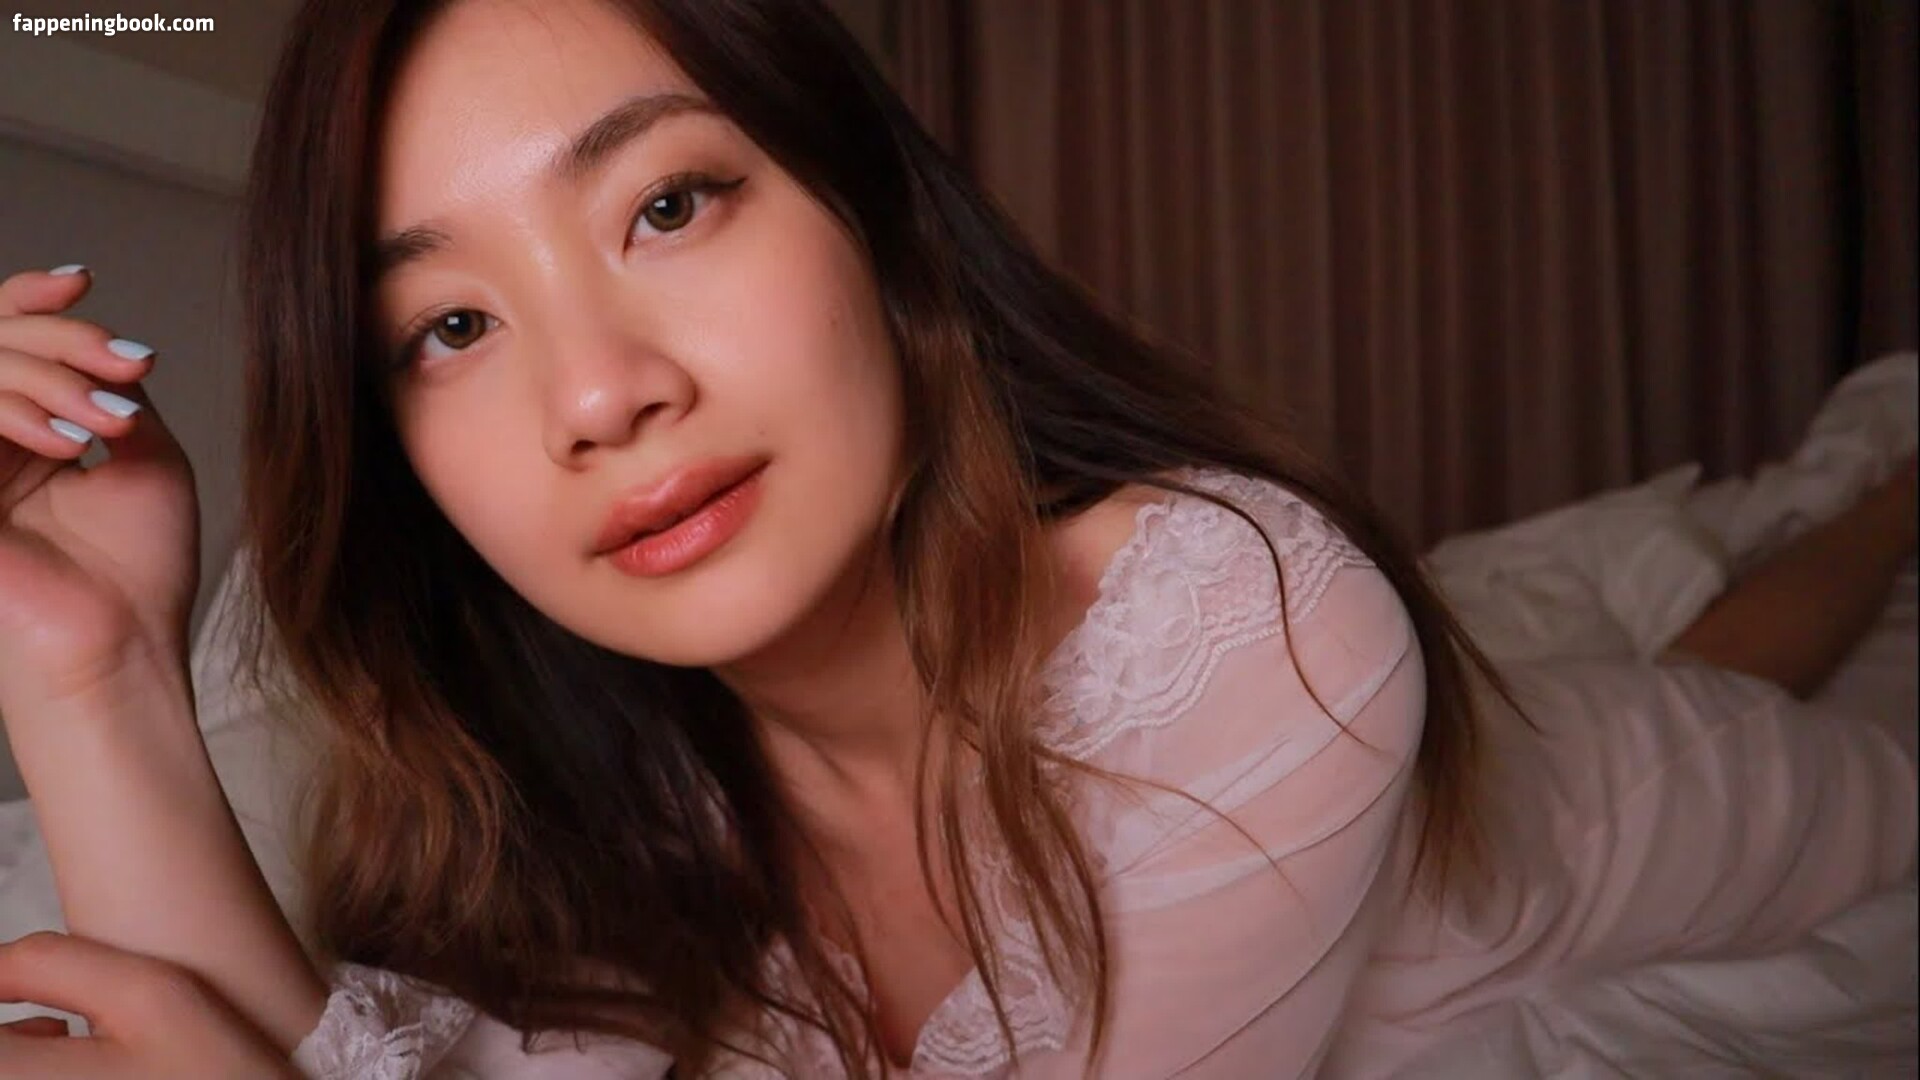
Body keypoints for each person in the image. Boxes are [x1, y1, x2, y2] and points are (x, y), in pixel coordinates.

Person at [0, 0, 1910, 1076]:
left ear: (878, 230)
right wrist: (89, 661)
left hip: (1711, 810)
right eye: (450, 327)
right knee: (1673, 646)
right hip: (1498, 768)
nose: (597, 396)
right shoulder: (599, 806)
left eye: (667, 205)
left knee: (1738, 688)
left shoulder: (1252, 617)